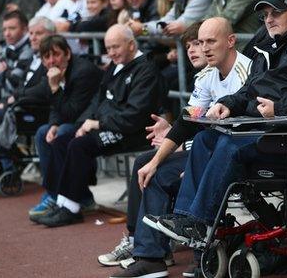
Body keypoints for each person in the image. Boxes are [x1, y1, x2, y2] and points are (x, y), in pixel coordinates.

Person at [145, 0, 287, 275]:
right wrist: (228, 104)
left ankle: (199, 222)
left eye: (276, 13)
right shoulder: (268, 45)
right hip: (268, 131)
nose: (269, 19)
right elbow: (249, 90)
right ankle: (190, 222)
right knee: (205, 139)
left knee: (230, 146)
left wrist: (279, 109)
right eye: (265, 15)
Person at [108, 18, 253, 278]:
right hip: (209, 148)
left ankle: (202, 256)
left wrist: (199, 164)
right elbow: (188, 121)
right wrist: (155, 162)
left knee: (189, 155)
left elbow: (243, 134)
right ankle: (150, 257)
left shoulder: (246, 72)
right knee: (154, 171)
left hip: (239, 152)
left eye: (209, 42)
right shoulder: (207, 75)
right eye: (198, 43)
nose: (204, 48)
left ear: (231, 41)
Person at [98, 22, 208, 271]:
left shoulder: (232, 73)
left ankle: (151, 252)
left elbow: (222, 133)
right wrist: (173, 135)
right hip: (198, 148)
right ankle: (142, 243)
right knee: (144, 163)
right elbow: (191, 122)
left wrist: (183, 146)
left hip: (214, 154)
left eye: (199, 44)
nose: (192, 50)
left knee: (155, 170)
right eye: (188, 45)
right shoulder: (203, 76)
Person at [31, 24, 165, 227]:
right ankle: (63, 200)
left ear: (130, 45)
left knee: (79, 145)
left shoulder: (146, 70)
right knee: (62, 140)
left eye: (115, 47)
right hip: (109, 126)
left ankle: (71, 209)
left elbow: (135, 116)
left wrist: (97, 123)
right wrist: (83, 123)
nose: (111, 53)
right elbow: (98, 100)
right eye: (108, 48)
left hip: (134, 133)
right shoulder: (115, 65)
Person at [28, 34, 103, 217]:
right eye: (46, 57)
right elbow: (57, 108)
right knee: (43, 132)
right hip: (73, 119)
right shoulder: (56, 72)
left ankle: (71, 196)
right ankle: (57, 194)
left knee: (62, 133)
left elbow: (72, 111)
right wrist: (53, 123)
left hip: (92, 122)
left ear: (68, 54)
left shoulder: (83, 72)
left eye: (56, 55)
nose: (52, 61)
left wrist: (54, 88)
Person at [0, 15, 54, 181]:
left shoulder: (52, 59)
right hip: (20, 105)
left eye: (39, 33)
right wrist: (3, 102)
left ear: (51, 35)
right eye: (31, 33)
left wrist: (5, 104)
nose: (33, 37)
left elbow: (39, 89)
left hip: (37, 110)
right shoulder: (33, 57)